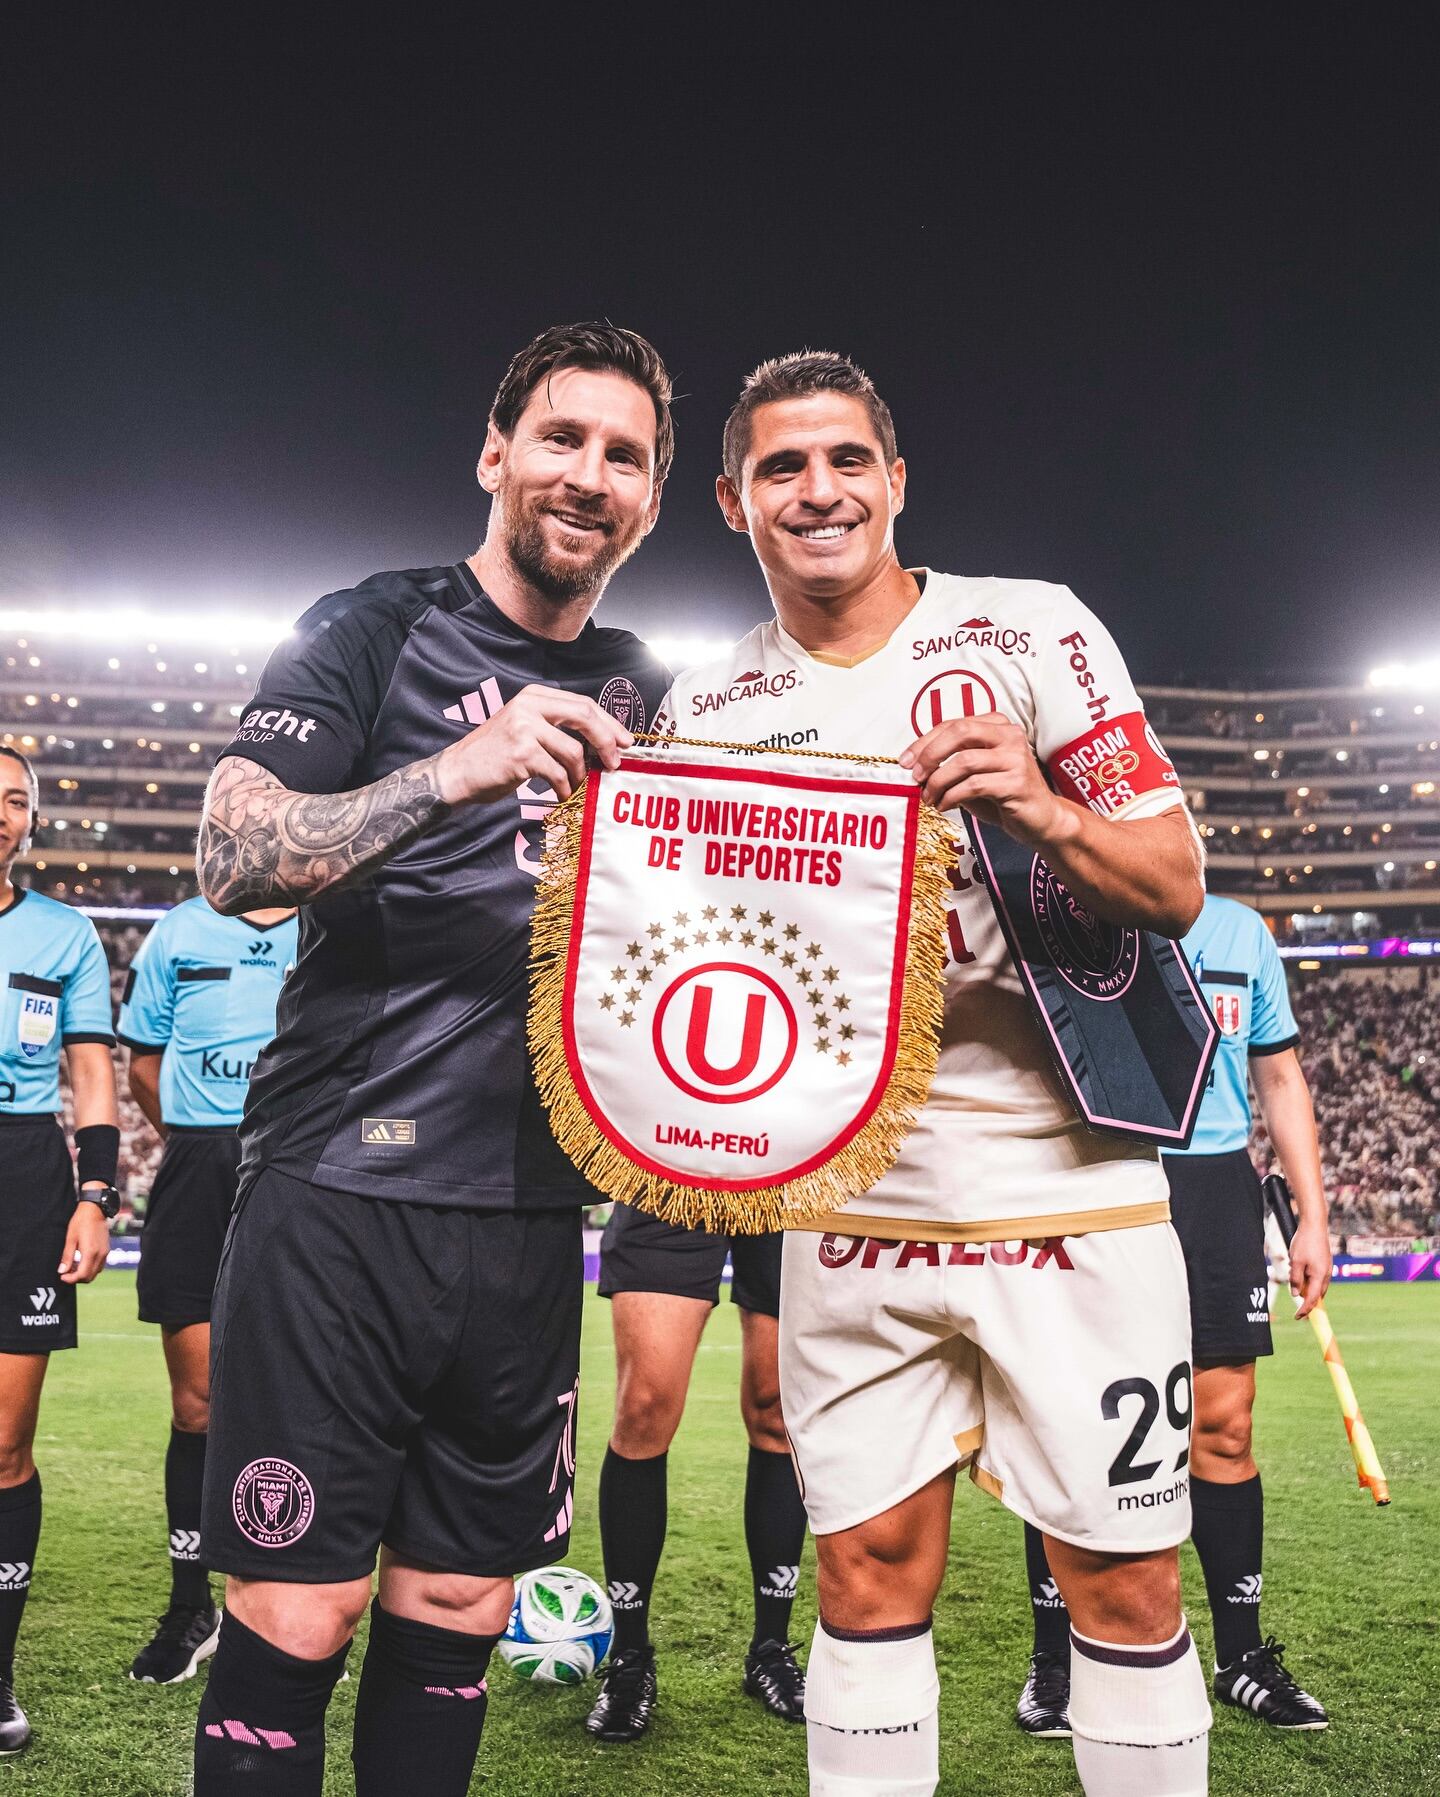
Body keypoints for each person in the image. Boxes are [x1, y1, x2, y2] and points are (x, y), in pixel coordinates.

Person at [655, 352, 1209, 1797]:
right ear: (731, 501)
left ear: (897, 480)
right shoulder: (707, 707)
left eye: (847, 460)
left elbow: (1173, 880)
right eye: (782, 468)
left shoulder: (1029, 629)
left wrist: (1036, 800)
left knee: (1126, 1587)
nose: (819, 490)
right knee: (865, 1575)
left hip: (1069, 1184)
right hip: (851, 1201)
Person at [189, 322, 674, 1796]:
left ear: (652, 498)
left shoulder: (653, 687)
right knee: (294, 1604)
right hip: (342, 1189)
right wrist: (455, 768)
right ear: (496, 454)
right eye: (562, 438)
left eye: (626, 454)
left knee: (461, 1606)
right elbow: (234, 855)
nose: (590, 474)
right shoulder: (371, 626)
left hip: (533, 1218)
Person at [1014, 891, 1331, 1735]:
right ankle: (1056, 1660)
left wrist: (1314, 1214)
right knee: (1071, 1422)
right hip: (1100, 1171)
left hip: (1218, 1181)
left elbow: (1277, 1073)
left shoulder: (1242, 930)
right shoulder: (1068, 912)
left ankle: (1241, 1657)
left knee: (1225, 1423)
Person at [117, 895, 299, 1683]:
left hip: (301, 1171)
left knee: (303, 1391)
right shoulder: (178, 929)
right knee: (196, 1402)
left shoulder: (333, 918)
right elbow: (144, 1065)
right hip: (198, 1165)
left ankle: (293, 1592)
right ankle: (192, 1604)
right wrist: (203, 1139)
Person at [0, 746, 119, 1754]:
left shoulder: (64, 932)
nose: (2, 814)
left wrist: (94, 1196)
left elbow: (90, 1076)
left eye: (15, 802)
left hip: (23, 1178)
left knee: (2, 1444)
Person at [585, 1211, 807, 1739]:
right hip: (675, 1166)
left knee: (776, 1408)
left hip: (786, 1171)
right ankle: (630, 1656)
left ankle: (770, 1649)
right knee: (643, 1406)